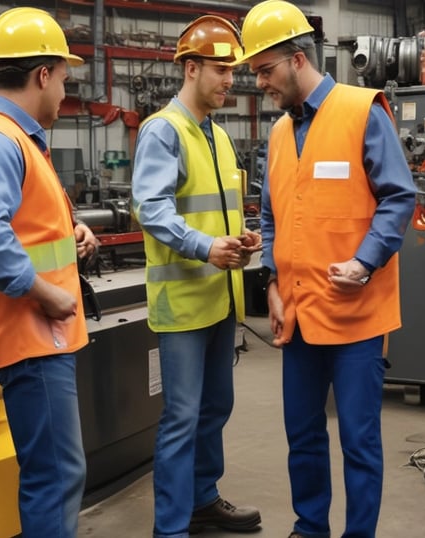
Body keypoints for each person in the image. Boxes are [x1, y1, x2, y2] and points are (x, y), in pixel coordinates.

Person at [236, 1, 417, 537]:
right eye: (255, 74)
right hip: (298, 311)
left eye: (265, 71)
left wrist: (365, 263)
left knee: (358, 439)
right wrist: (270, 281)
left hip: (357, 314)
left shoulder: (364, 110)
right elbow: (271, 216)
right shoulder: (275, 135)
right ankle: (309, 527)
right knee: (304, 434)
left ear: (297, 58)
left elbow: (399, 197)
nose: (261, 83)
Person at [0, 7, 97, 538]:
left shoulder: (14, 137)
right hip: (30, 335)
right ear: (43, 74)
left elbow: (25, 225)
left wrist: (74, 234)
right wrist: (43, 293)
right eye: (64, 77)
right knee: (55, 476)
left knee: (56, 472)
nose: (65, 90)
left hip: (39, 334)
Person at [131, 15, 262, 538]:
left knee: (216, 407)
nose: (231, 80)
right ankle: (170, 528)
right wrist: (207, 247)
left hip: (220, 299)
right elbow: (150, 208)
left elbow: (221, 211)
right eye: (221, 69)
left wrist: (244, 237)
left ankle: (202, 500)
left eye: (233, 70)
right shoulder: (164, 130)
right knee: (182, 418)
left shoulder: (218, 136)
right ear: (190, 69)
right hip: (183, 305)